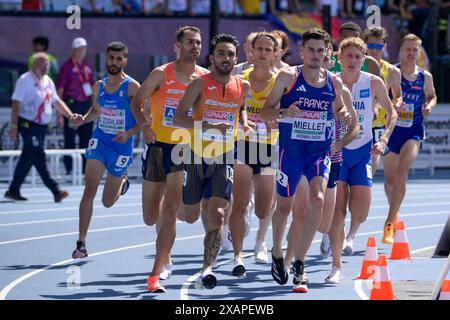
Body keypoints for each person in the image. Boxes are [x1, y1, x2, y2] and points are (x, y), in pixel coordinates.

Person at [260, 28, 353, 293]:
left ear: (327, 54)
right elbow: (265, 112)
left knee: (319, 200)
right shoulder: (289, 76)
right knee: (284, 208)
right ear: (302, 52)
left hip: (319, 153)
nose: (315, 55)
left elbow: (340, 110)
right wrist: (282, 110)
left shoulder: (334, 82)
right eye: (310, 50)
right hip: (291, 153)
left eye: (320, 50)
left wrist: (344, 114)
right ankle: (278, 251)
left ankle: (300, 263)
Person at [131, 26, 208, 293]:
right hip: (157, 147)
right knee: (150, 217)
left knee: (175, 212)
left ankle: (161, 262)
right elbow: (136, 102)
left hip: (185, 149)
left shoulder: (204, 78)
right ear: (177, 45)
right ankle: (164, 221)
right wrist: (145, 126)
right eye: (190, 42)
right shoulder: (160, 74)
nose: (195, 47)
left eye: (198, 43)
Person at [173, 33, 252, 290]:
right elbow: (178, 118)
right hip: (196, 157)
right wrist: (206, 125)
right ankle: (173, 202)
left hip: (224, 157)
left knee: (217, 215)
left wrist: (244, 123)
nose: (226, 58)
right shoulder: (199, 84)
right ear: (212, 57)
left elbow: (240, 108)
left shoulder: (242, 86)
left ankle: (208, 267)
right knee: (190, 215)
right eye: (221, 53)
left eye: (230, 54)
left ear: (236, 58)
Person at [327, 37, 397, 283]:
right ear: (340, 58)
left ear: (364, 60)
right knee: (338, 209)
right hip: (338, 152)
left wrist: (384, 139)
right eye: (349, 56)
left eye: (358, 57)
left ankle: (351, 234)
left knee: (361, 210)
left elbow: (392, 113)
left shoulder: (374, 82)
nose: (353, 61)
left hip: (363, 151)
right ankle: (336, 266)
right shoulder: (331, 81)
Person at [283, 42, 357, 268]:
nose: (322, 65)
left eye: (326, 59)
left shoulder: (338, 88)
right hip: (305, 155)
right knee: (302, 211)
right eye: (317, 58)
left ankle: (327, 249)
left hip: (331, 159)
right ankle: (290, 262)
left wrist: (341, 141)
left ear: (330, 60)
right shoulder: (299, 82)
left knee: (327, 222)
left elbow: (354, 127)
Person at [71, 42, 141, 260]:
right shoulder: (98, 86)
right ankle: (81, 243)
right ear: (106, 59)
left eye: (119, 59)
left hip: (121, 147)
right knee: (89, 189)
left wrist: (128, 133)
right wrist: (83, 119)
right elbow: (96, 111)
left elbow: (145, 121)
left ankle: (122, 182)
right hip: (99, 142)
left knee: (107, 202)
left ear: (125, 61)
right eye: (111, 58)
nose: (114, 62)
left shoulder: (132, 88)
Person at [229, 32, 279, 276]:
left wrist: (278, 119)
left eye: (268, 50)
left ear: (275, 54)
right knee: (237, 203)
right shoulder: (240, 79)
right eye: (259, 48)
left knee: (262, 208)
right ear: (251, 51)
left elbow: (286, 112)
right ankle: (238, 256)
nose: (262, 53)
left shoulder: (281, 81)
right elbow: (236, 109)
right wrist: (244, 121)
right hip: (243, 145)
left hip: (268, 148)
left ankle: (259, 233)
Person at [382, 33, 437, 244]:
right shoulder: (392, 72)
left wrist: (429, 106)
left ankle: (389, 221)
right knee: (390, 179)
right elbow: (381, 94)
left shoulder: (425, 77)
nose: (412, 53)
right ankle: (394, 211)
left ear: (419, 52)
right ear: (401, 50)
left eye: (416, 50)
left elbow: (432, 95)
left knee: (402, 174)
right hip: (392, 130)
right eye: (408, 49)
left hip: (413, 131)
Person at [4, 53, 78, 202]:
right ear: (35, 64)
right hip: (27, 124)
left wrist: (70, 116)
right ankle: (55, 190)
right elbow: (16, 104)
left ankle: (13, 190)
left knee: (28, 158)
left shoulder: (48, 81)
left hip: (42, 127)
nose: (47, 67)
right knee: (39, 156)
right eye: (44, 64)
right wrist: (13, 126)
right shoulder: (24, 80)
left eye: (48, 65)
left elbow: (57, 102)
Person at [361, 26, 403, 178]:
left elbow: (398, 95)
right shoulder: (355, 66)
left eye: (378, 46)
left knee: (369, 173)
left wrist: (396, 104)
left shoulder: (392, 71)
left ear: (384, 46)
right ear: (365, 46)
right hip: (356, 123)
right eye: (371, 46)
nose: (374, 50)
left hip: (377, 124)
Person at [57, 37, 95, 175]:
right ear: (73, 50)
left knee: (87, 139)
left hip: (86, 106)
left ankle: (85, 169)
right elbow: (59, 91)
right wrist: (59, 115)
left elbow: (92, 88)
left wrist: (94, 107)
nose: (80, 52)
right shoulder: (66, 67)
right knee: (70, 139)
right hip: (71, 106)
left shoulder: (87, 66)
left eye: (83, 49)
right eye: (78, 49)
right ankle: (69, 170)